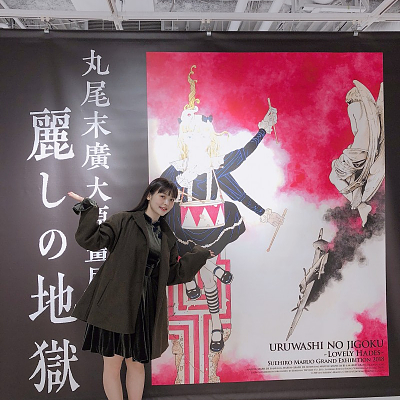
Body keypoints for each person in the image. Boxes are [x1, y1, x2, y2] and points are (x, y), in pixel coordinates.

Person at [161, 82, 283, 352]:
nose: (195, 141)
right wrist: (177, 184)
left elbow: (242, 168)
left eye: (200, 136)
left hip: (211, 228)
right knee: (188, 254)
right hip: (182, 230)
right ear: (183, 139)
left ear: (209, 138)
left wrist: (263, 129)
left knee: (207, 276)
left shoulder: (216, 166)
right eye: (189, 136)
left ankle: (215, 323)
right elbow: (156, 196)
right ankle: (206, 276)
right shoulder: (175, 169)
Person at [68, 178, 213, 400]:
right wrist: (89, 208)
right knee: (113, 364)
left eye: (171, 200)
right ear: (149, 195)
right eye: (162, 196)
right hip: (117, 301)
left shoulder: (167, 236)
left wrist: (198, 256)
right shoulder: (124, 220)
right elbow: (92, 240)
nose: (166, 203)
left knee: (137, 364)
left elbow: (172, 274)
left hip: (146, 305)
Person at [329, 80, 384, 226]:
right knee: (352, 177)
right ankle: (361, 205)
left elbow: (355, 130)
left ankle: (361, 206)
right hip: (369, 151)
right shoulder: (371, 109)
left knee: (334, 175)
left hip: (357, 151)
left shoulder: (353, 106)